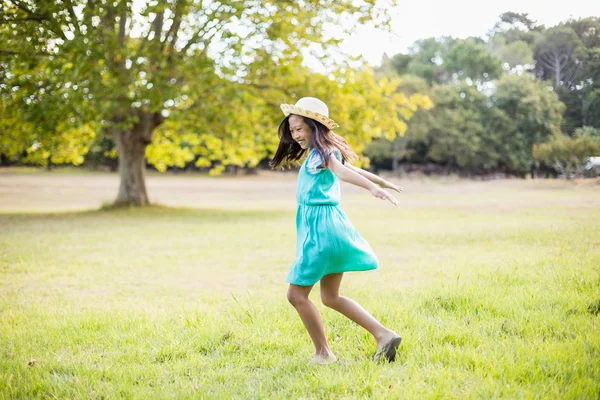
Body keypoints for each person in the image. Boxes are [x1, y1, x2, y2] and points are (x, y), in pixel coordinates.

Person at [269, 97, 403, 365]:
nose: (295, 136)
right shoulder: (323, 152)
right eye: (292, 131)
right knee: (330, 297)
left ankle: (323, 354)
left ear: (315, 126)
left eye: (300, 129)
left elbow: (343, 172)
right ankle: (383, 335)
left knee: (296, 295)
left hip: (320, 229)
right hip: (332, 227)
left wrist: (373, 188)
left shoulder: (323, 153)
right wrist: (381, 180)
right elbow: (352, 168)